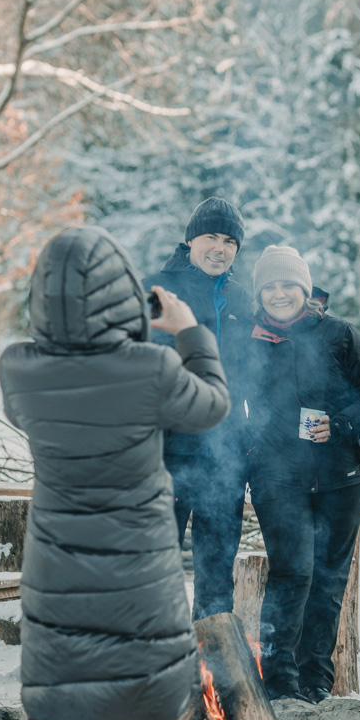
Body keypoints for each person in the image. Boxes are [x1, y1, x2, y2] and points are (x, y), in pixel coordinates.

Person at [0, 226, 230, 720]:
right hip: (136, 571)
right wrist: (187, 331)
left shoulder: (20, 370)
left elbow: (68, 382)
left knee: (50, 718)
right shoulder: (151, 368)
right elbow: (211, 404)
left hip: (57, 569)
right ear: (125, 296)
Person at [245, 245, 360, 704]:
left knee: (328, 579)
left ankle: (316, 681)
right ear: (259, 294)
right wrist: (252, 448)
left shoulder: (339, 334)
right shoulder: (250, 339)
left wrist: (340, 425)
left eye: (289, 285)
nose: (279, 294)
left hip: (342, 475)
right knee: (291, 572)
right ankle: (280, 680)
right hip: (277, 476)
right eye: (270, 287)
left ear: (305, 290)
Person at [144, 197, 254, 620]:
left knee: (217, 570)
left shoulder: (241, 299)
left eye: (230, 242)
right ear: (190, 239)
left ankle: (212, 657)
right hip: (165, 453)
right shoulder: (157, 290)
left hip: (224, 457)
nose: (219, 248)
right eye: (211, 237)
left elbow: (257, 375)